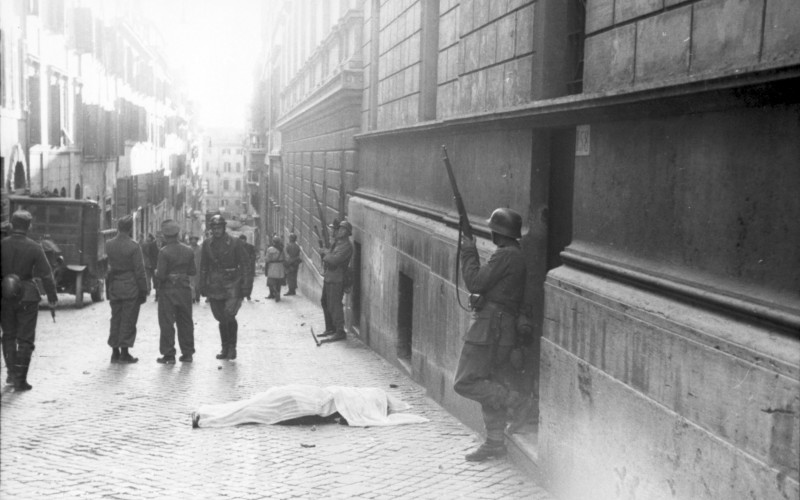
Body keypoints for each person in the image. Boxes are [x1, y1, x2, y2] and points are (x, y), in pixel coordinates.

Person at [453, 208, 529, 462]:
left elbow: (475, 282)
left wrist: (468, 250)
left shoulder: (505, 255)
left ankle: (516, 401)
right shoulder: (515, 254)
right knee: (488, 380)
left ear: (498, 233)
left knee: (465, 382)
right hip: (500, 329)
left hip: (490, 329)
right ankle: (495, 442)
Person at [1, 210, 58, 391]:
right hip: (27, 296)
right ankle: (20, 380)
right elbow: (47, 275)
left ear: (11, 225)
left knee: (8, 335)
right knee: (25, 339)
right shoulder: (35, 247)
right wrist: (52, 297)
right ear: (29, 226)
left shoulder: (2, 244)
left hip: (5, 295)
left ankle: (11, 374)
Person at [198, 214, 253, 360]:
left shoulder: (235, 243)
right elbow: (203, 266)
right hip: (215, 285)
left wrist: (246, 286)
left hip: (232, 283)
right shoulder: (207, 244)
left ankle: (232, 348)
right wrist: (202, 284)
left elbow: (246, 265)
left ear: (224, 228)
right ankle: (224, 347)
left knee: (229, 315)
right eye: (214, 228)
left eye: (219, 227)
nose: (217, 230)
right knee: (220, 317)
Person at [105, 215, 149, 364]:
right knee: (128, 320)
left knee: (115, 319)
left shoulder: (109, 244)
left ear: (118, 227)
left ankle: (114, 353)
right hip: (130, 286)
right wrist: (144, 290)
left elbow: (108, 267)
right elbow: (139, 271)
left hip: (115, 285)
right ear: (130, 228)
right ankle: (124, 353)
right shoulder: (134, 246)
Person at [155, 219, 196, 364]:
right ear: (178, 234)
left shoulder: (164, 252)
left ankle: (169, 355)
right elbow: (192, 271)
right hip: (184, 289)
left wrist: (156, 273)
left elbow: (161, 275)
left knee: (167, 322)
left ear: (165, 236)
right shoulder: (188, 250)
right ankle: (187, 353)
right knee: (185, 321)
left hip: (168, 290)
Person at [316, 220, 353, 343]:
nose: (339, 231)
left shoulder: (346, 246)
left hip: (337, 278)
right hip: (329, 277)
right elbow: (331, 256)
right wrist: (327, 253)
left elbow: (335, 260)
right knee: (325, 302)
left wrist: (325, 254)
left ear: (347, 233)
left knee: (335, 304)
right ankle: (330, 328)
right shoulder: (337, 243)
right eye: (339, 229)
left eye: (343, 230)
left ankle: (340, 331)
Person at [265, 237, 286, 302]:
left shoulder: (269, 249)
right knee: (279, 282)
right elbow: (284, 258)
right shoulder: (282, 249)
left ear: (273, 242)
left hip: (272, 266)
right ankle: (278, 293)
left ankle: (272, 294)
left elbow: (267, 259)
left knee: (271, 281)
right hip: (280, 266)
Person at [238, 235, 256, 300]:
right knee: (240, 282)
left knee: (250, 282)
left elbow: (254, 256)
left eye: (243, 240)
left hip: (249, 268)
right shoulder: (237, 247)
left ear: (245, 240)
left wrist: (249, 261)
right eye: (241, 241)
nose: (242, 242)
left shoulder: (250, 247)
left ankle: (248, 295)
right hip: (240, 268)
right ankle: (241, 295)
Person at [188, 235, 202, 303]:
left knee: (198, 283)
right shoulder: (188, 249)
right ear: (190, 241)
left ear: (197, 241)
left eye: (195, 240)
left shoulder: (200, 249)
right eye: (192, 240)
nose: (193, 241)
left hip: (198, 268)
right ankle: (192, 297)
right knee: (191, 283)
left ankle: (197, 296)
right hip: (190, 268)